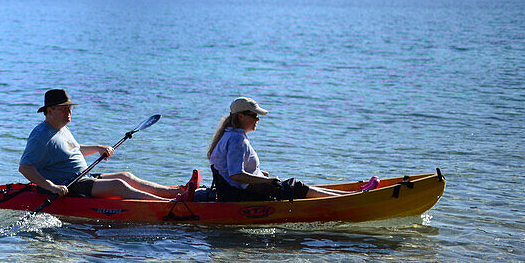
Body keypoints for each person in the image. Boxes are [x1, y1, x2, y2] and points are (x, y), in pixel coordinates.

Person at [19, 89, 181, 200]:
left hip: (84, 177)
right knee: (118, 185)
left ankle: (176, 192)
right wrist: (53, 187)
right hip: (69, 185)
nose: (68, 113)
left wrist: (98, 148)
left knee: (125, 176)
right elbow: (25, 167)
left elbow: (73, 150)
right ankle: (166, 205)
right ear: (49, 111)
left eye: (69, 108)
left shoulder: (62, 128)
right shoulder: (41, 135)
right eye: (63, 109)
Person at [207, 97, 346, 201]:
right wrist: (266, 181)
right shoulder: (236, 139)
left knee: (294, 186)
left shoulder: (231, 135)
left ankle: (347, 195)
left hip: (241, 189)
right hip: (241, 193)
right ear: (241, 116)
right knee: (295, 186)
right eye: (254, 115)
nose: (258, 119)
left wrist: (259, 174)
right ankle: (346, 198)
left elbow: (232, 170)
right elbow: (235, 175)